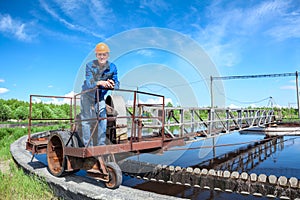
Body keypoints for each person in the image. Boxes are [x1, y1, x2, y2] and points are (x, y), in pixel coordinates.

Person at [81, 42, 119, 146]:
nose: (102, 57)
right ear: (96, 55)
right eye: (99, 54)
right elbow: (89, 83)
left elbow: (117, 83)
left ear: (108, 55)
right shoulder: (89, 66)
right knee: (86, 120)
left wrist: (112, 84)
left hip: (100, 96)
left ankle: (101, 145)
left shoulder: (112, 67)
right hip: (87, 95)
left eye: (104, 54)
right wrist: (100, 82)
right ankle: (88, 146)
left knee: (103, 118)